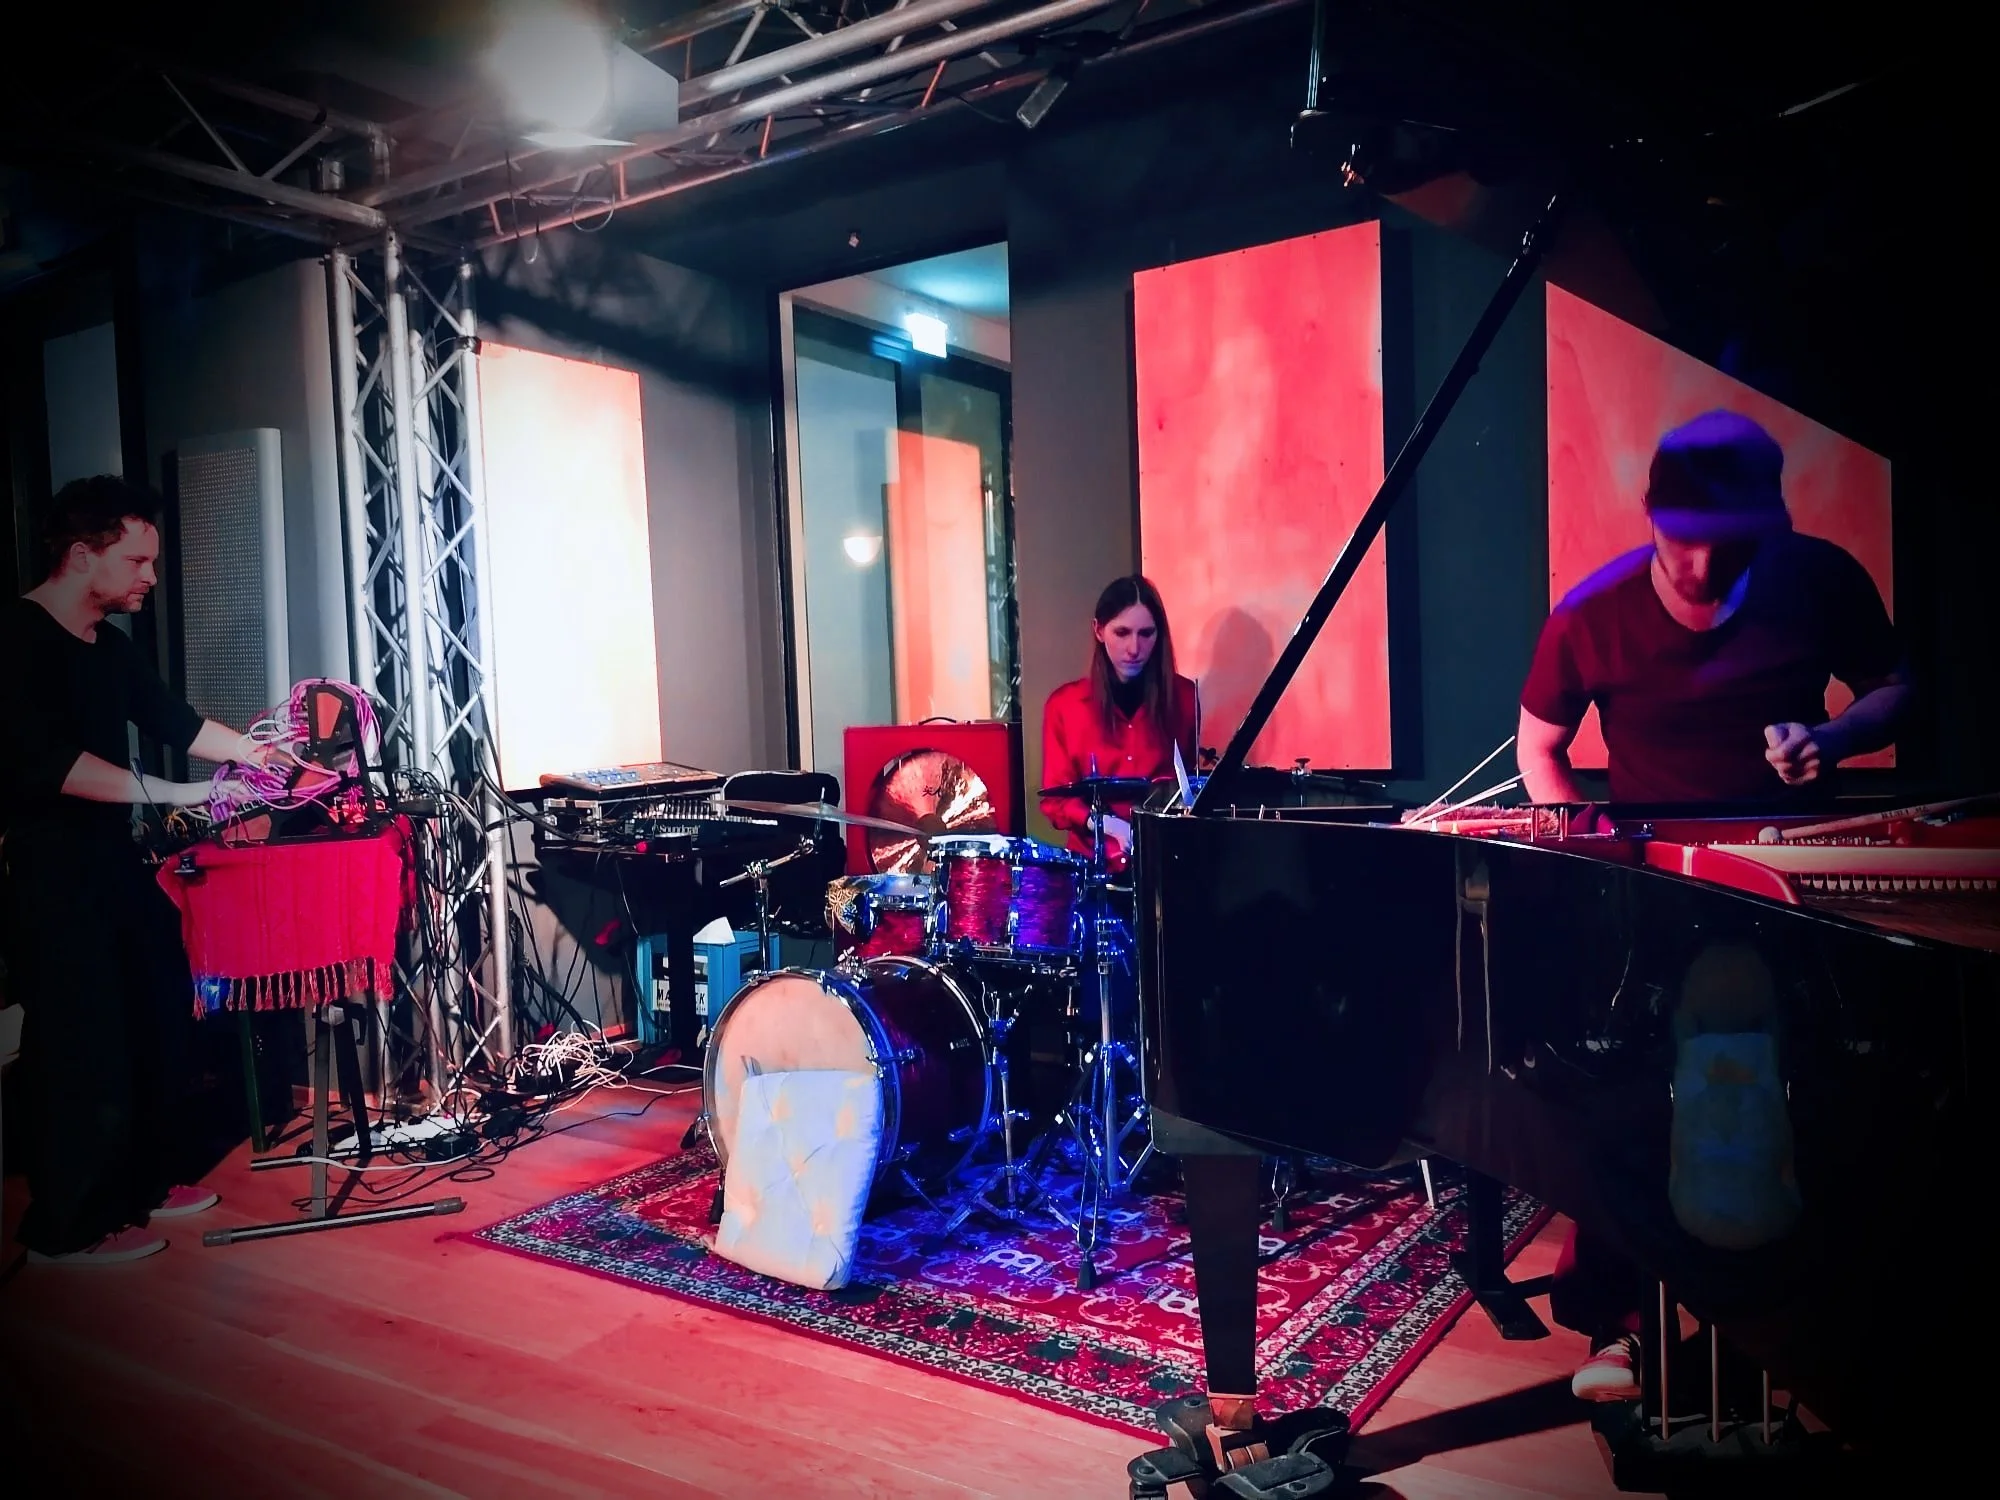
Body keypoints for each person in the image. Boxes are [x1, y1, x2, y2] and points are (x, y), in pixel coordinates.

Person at [1514, 409, 1910, 1400]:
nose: (1697, 566)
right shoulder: (1591, 610)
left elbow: (1894, 687)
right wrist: (1583, 844)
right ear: (1650, 514)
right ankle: (1621, 1326)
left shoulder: (1816, 578)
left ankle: (1796, 1323)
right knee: (1629, 1103)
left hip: (1792, 879)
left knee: (1814, 1096)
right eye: (1680, 539)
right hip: (1652, 884)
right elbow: (1538, 746)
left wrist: (1834, 738)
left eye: (1724, 544)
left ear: (1768, 524)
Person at [0, 476, 287, 1265]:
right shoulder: (17, 639)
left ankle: (140, 1183)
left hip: (110, 862)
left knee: (152, 1018)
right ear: (80, 555)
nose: (150, 577)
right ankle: (67, 1228)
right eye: (136, 561)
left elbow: (177, 723)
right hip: (48, 873)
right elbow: (53, 766)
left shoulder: (110, 646)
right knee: (80, 1041)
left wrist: (264, 757)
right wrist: (181, 792)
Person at [1039, 575, 1199, 865]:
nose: (1134, 648)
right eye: (1122, 633)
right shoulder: (1064, 706)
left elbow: (1187, 789)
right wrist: (1107, 825)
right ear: (1099, 630)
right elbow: (1056, 799)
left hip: (1163, 864)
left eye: (1146, 633)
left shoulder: (1185, 698)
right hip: (1093, 868)